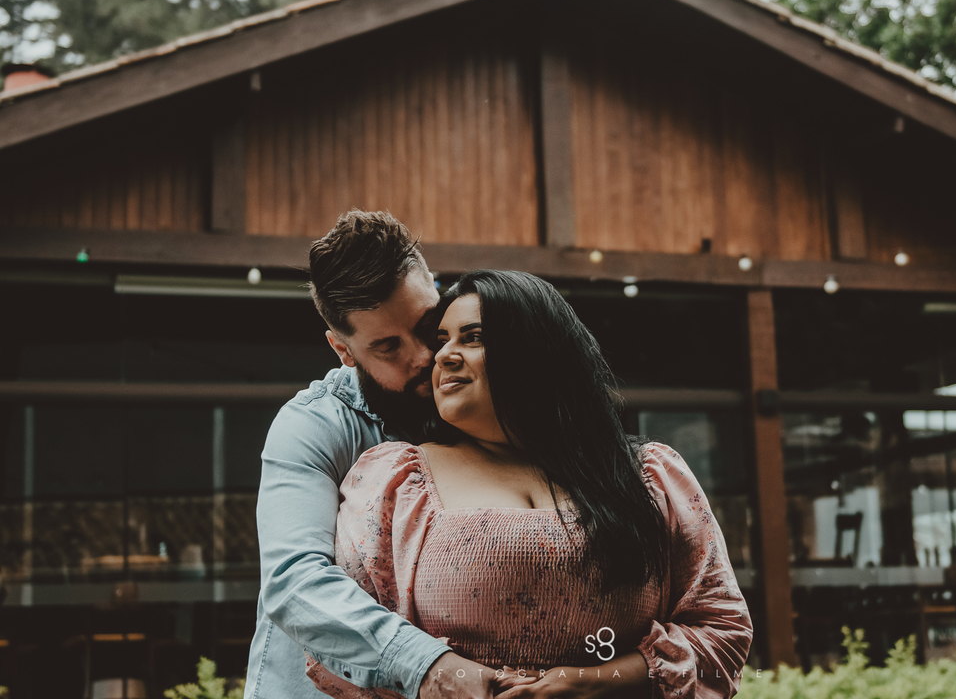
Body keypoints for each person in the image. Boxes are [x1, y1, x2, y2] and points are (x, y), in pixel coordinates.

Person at [306, 270, 753, 699]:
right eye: (442, 341)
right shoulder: (394, 482)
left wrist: (597, 682)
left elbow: (722, 630)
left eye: (473, 337)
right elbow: (341, 644)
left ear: (537, 350)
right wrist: (447, 676)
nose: (442, 356)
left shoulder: (648, 477)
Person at [246, 211, 527, 699]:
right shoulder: (312, 427)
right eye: (388, 347)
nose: (424, 356)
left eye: (427, 325)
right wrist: (431, 666)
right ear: (343, 350)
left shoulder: (487, 412)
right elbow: (294, 583)